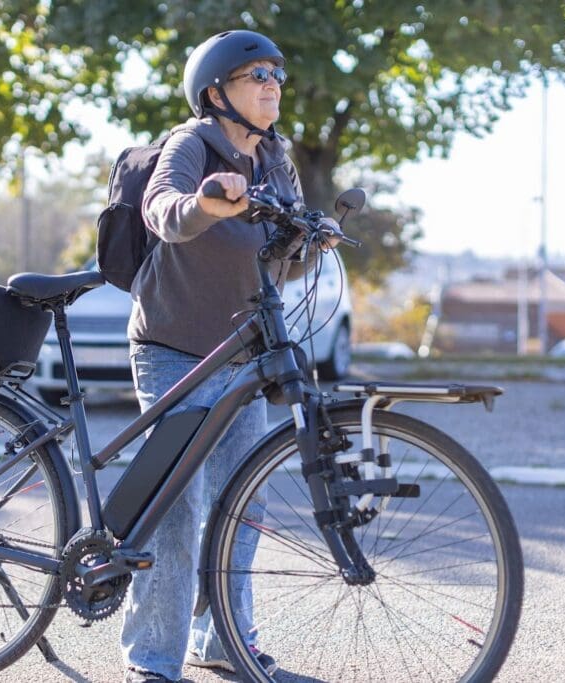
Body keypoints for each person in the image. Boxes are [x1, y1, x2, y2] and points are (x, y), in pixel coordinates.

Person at [121, 30, 341, 683]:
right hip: (172, 343)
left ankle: (223, 640)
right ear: (216, 93)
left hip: (243, 349)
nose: (272, 82)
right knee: (178, 501)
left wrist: (313, 242)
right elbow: (164, 211)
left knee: (244, 498)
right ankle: (153, 660)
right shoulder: (192, 143)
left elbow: (281, 262)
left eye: (276, 72)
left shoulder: (277, 159)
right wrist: (205, 202)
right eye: (255, 75)